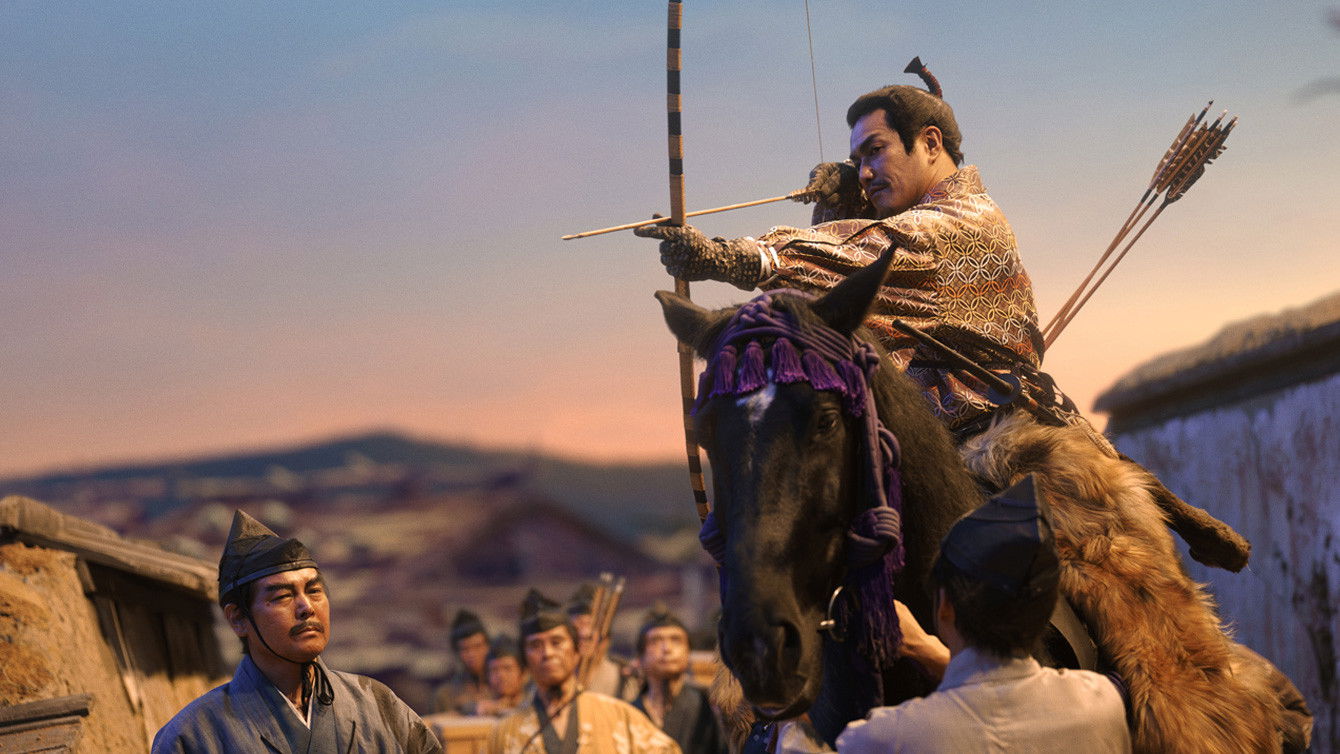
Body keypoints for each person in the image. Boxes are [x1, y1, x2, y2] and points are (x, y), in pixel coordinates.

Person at [836, 476, 1131, 753]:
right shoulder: (1104, 704)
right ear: (1047, 610)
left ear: (944, 606)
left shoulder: (881, 739)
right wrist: (929, 651)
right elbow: (1013, 703)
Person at [152, 510, 441, 753]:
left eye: (314, 591)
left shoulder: (379, 706)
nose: (306, 607)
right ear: (238, 618)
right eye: (282, 596)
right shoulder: (193, 737)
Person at [488, 589, 681, 754]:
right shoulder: (505, 732)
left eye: (557, 642)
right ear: (524, 659)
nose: (547, 653)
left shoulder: (619, 716)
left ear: (576, 651)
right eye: (535, 645)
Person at [632, 607, 725, 754]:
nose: (667, 649)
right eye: (656, 641)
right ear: (639, 657)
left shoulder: (707, 705)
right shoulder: (630, 712)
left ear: (688, 653)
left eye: (676, 640)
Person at [567, 583, 636, 701]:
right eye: (577, 626)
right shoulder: (555, 676)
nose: (584, 633)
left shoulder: (623, 677)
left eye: (591, 625)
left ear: (605, 639)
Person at [435, 608, 495, 715]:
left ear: (488, 646)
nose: (472, 654)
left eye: (477, 646)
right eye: (465, 649)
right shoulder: (445, 696)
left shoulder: (502, 687)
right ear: (457, 652)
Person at [475, 635, 529, 717]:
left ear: (523, 674)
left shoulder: (535, 705)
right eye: (494, 670)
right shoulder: (482, 708)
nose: (501, 676)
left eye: (507, 668)